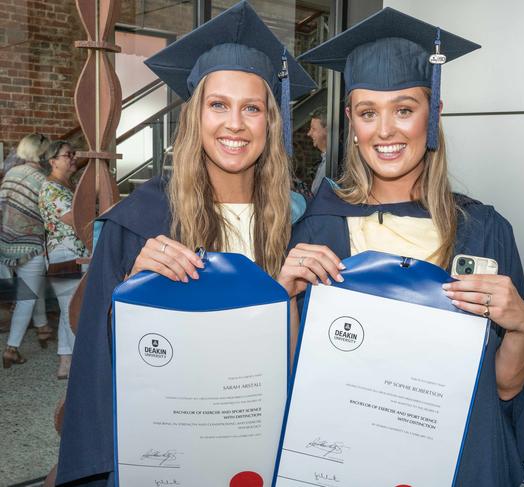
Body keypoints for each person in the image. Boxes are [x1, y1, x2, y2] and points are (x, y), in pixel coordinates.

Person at [55, 2, 315, 485]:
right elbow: (98, 364)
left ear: (269, 123)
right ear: (194, 117)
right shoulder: (140, 225)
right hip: (166, 457)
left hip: (263, 448)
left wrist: (286, 301)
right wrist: (131, 298)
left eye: (251, 108)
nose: (234, 124)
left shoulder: (297, 227)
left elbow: (305, 369)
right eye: (218, 104)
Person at [278, 7, 524, 487]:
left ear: (431, 115)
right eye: (368, 113)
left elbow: (504, 389)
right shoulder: (318, 228)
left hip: (456, 464)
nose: (385, 131)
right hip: (343, 462)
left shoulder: (482, 231)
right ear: (351, 123)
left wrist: (522, 328)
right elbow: (293, 376)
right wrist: (284, 299)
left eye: (404, 109)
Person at [1, 132, 53, 367]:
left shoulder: (10, 174)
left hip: (6, 243)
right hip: (31, 246)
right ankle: (12, 349)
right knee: (27, 297)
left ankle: (42, 327)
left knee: (34, 286)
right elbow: (50, 218)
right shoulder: (43, 179)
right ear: (42, 153)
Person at [39, 141, 87, 379]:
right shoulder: (51, 189)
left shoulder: (70, 184)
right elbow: (73, 219)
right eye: (68, 155)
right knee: (72, 308)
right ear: (53, 161)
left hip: (76, 253)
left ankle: (65, 362)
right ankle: (79, 363)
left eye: (73, 154)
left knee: (68, 306)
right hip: (64, 255)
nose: (73, 158)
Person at [307, 107, 328, 193]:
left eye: (314, 129)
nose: (309, 133)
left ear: (326, 130)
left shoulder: (333, 163)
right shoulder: (325, 160)